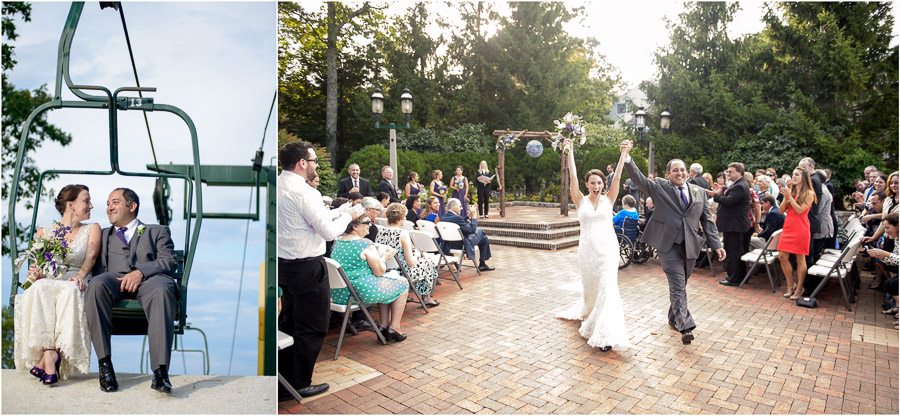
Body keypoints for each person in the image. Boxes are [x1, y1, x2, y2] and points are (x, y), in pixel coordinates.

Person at [276, 141, 364, 400]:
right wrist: (349, 217)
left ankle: (284, 380)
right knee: (312, 325)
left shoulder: (278, 186)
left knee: (289, 321)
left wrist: (339, 210)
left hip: (284, 266)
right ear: (303, 163)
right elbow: (326, 232)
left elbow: (310, 219)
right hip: (308, 268)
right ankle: (299, 383)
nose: (315, 166)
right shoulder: (305, 192)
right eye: (313, 161)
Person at [622, 140, 725, 345]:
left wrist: (717, 245)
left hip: (690, 247)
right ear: (668, 174)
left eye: (682, 169)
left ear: (687, 172)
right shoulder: (661, 187)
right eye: (675, 170)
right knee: (678, 285)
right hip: (667, 245)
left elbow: (707, 221)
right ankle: (685, 326)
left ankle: (672, 316)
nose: (679, 173)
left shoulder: (699, 193)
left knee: (681, 284)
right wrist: (626, 156)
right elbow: (640, 179)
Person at [85, 188, 178, 393]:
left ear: (132, 206)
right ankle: (105, 365)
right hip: (113, 281)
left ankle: (160, 372)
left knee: (164, 288)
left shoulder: (156, 231)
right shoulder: (100, 235)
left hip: (148, 283)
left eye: (115, 202)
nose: (109, 207)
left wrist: (141, 272)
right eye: (108, 204)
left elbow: (169, 261)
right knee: (96, 285)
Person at [14, 185, 100, 386]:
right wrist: (34, 273)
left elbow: (92, 255)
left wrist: (80, 275)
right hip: (51, 279)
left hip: (76, 278)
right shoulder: (44, 232)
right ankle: (50, 353)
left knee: (69, 290)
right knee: (40, 287)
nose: (91, 205)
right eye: (86, 201)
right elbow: (38, 263)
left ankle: (47, 359)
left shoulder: (91, 229)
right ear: (71, 205)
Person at [556, 139, 630, 351]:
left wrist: (623, 153)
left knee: (608, 289)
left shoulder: (609, 200)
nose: (596, 186)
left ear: (603, 185)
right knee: (592, 289)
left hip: (608, 250)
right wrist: (569, 152)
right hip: (588, 252)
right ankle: (590, 313)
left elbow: (617, 175)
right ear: (587, 185)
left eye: (599, 183)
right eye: (593, 183)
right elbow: (572, 176)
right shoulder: (580, 201)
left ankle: (605, 334)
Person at [331, 214, 410, 342]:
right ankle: (394, 327)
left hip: (339, 294)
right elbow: (379, 271)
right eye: (367, 222)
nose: (370, 225)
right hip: (359, 294)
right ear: (355, 226)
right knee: (402, 283)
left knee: (386, 282)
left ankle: (383, 325)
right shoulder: (365, 244)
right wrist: (384, 257)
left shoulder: (338, 242)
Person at [377, 203, 439, 307]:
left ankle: (408, 295)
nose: (405, 219)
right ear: (399, 219)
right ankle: (426, 297)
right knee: (428, 262)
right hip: (402, 271)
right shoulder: (402, 233)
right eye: (404, 217)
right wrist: (417, 255)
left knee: (423, 262)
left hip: (386, 268)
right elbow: (410, 263)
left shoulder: (380, 231)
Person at [776, 168, 817, 300]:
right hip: (788, 227)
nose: (794, 177)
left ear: (804, 177)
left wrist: (790, 198)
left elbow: (800, 210)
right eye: (793, 174)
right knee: (782, 256)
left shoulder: (809, 193)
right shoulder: (791, 191)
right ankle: (790, 284)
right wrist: (785, 198)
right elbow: (781, 211)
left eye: (797, 175)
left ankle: (799, 288)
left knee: (800, 259)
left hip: (801, 228)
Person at [709, 163, 751, 287]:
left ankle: (734, 278)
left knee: (733, 252)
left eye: (730, 172)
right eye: (727, 172)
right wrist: (719, 193)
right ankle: (740, 276)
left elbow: (729, 201)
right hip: (735, 224)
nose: (727, 174)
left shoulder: (740, 186)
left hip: (734, 225)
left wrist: (715, 196)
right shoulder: (738, 184)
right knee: (738, 251)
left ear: (739, 173)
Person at [440, 198, 494, 271]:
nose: (461, 208)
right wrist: (474, 217)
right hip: (462, 245)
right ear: (453, 207)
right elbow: (471, 230)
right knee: (481, 232)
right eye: (460, 206)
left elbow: (460, 221)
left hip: (450, 245)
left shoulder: (444, 217)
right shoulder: (457, 218)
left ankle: (482, 264)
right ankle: (482, 264)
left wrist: (468, 216)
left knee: (484, 239)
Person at [867, 212, 899, 329]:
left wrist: (886, 254)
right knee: (890, 284)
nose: (886, 231)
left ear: (897, 225)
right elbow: (894, 258)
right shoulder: (896, 239)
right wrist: (882, 257)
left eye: (887, 228)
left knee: (894, 284)